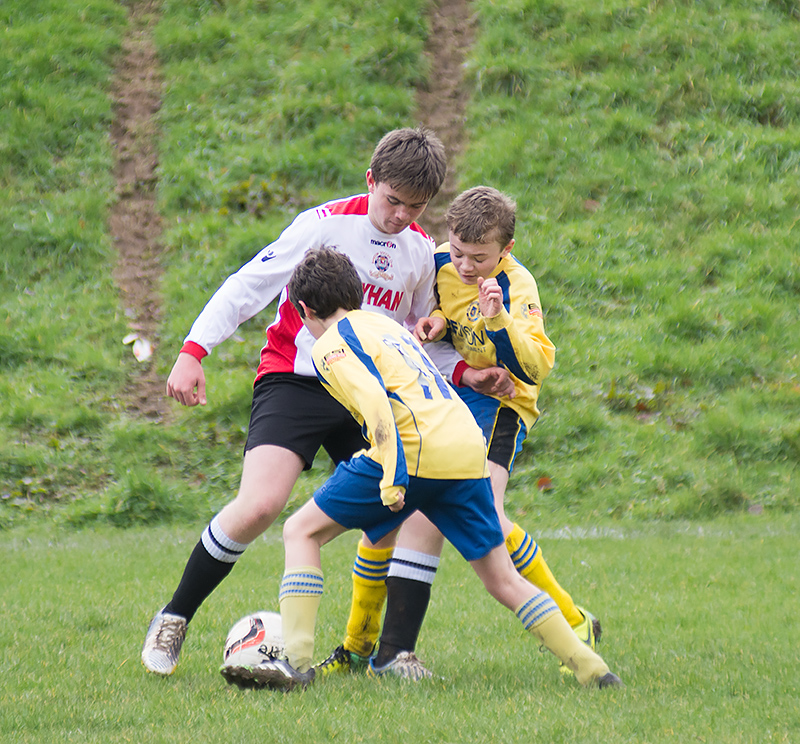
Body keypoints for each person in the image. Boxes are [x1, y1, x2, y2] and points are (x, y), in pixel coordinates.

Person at [141, 128, 513, 676]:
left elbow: (413, 339)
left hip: (367, 398)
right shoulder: (323, 226)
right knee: (262, 505)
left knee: (396, 515)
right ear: (370, 181)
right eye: (391, 200)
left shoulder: (417, 253)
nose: (399, 215)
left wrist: (465, 373)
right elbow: (250, 284)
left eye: (415, 206)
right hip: (296, 381)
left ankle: (386, 655)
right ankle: (174, 618)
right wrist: (193, 351)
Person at [220, 247, 622, 691]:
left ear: (304, 310)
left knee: (301, 531)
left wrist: (392, 473)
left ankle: (294, 664)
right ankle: (594, 670)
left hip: (411, 449)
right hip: (466, 447)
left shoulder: (329, 345)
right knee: (502, 578)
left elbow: (375, 404)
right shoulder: (389, 328)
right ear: (357, 294)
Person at [318, 186, 601, 680]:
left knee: (482, 515)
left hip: (501, 406)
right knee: (393, 510)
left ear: (505, 251)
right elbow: (443, 319)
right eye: (461, 253)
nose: (467, 267)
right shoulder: (439, 261)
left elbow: (535, 367)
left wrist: (499, 322)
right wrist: (435, 323)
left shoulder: (518, 286)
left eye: (481, 259)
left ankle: (576, 624)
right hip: (446, 400)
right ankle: (359, 646)